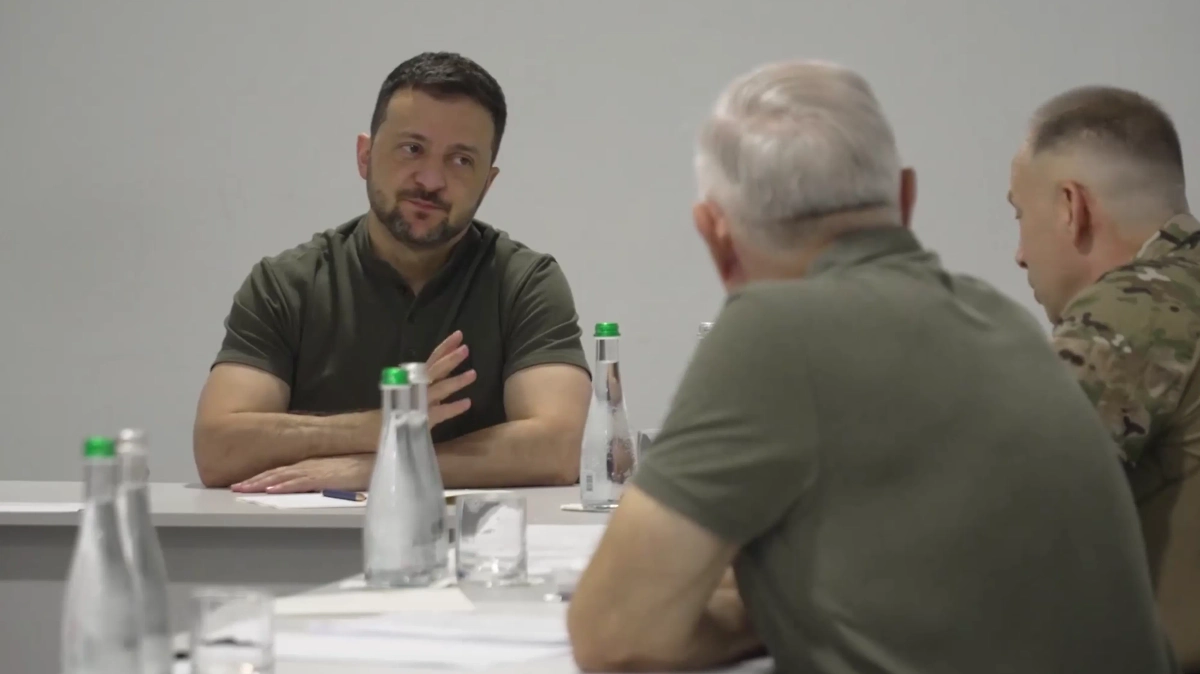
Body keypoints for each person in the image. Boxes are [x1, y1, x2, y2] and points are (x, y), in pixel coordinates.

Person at [566, 61, 1175, 673]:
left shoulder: (773, 330)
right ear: (905, 198)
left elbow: (615, 634)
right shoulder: (1002, 319)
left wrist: (766, 611)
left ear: (716, 234)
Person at [193, 52, 591, 492]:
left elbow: (560, 449)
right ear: (365, 156)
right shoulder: (286, 284)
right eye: (412, 149)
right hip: (309, 537)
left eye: (461, 160)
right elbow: (218, 450)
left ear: (488, 182)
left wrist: (378, 469)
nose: (431, 180)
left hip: (473, 536)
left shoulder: (525, 282)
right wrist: (379, 426)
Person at [1010, 85, 1200, 671]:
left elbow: (997, 499)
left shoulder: (1134, 310)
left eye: (1020, 216)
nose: (1019, 254)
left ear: (1072, 207)